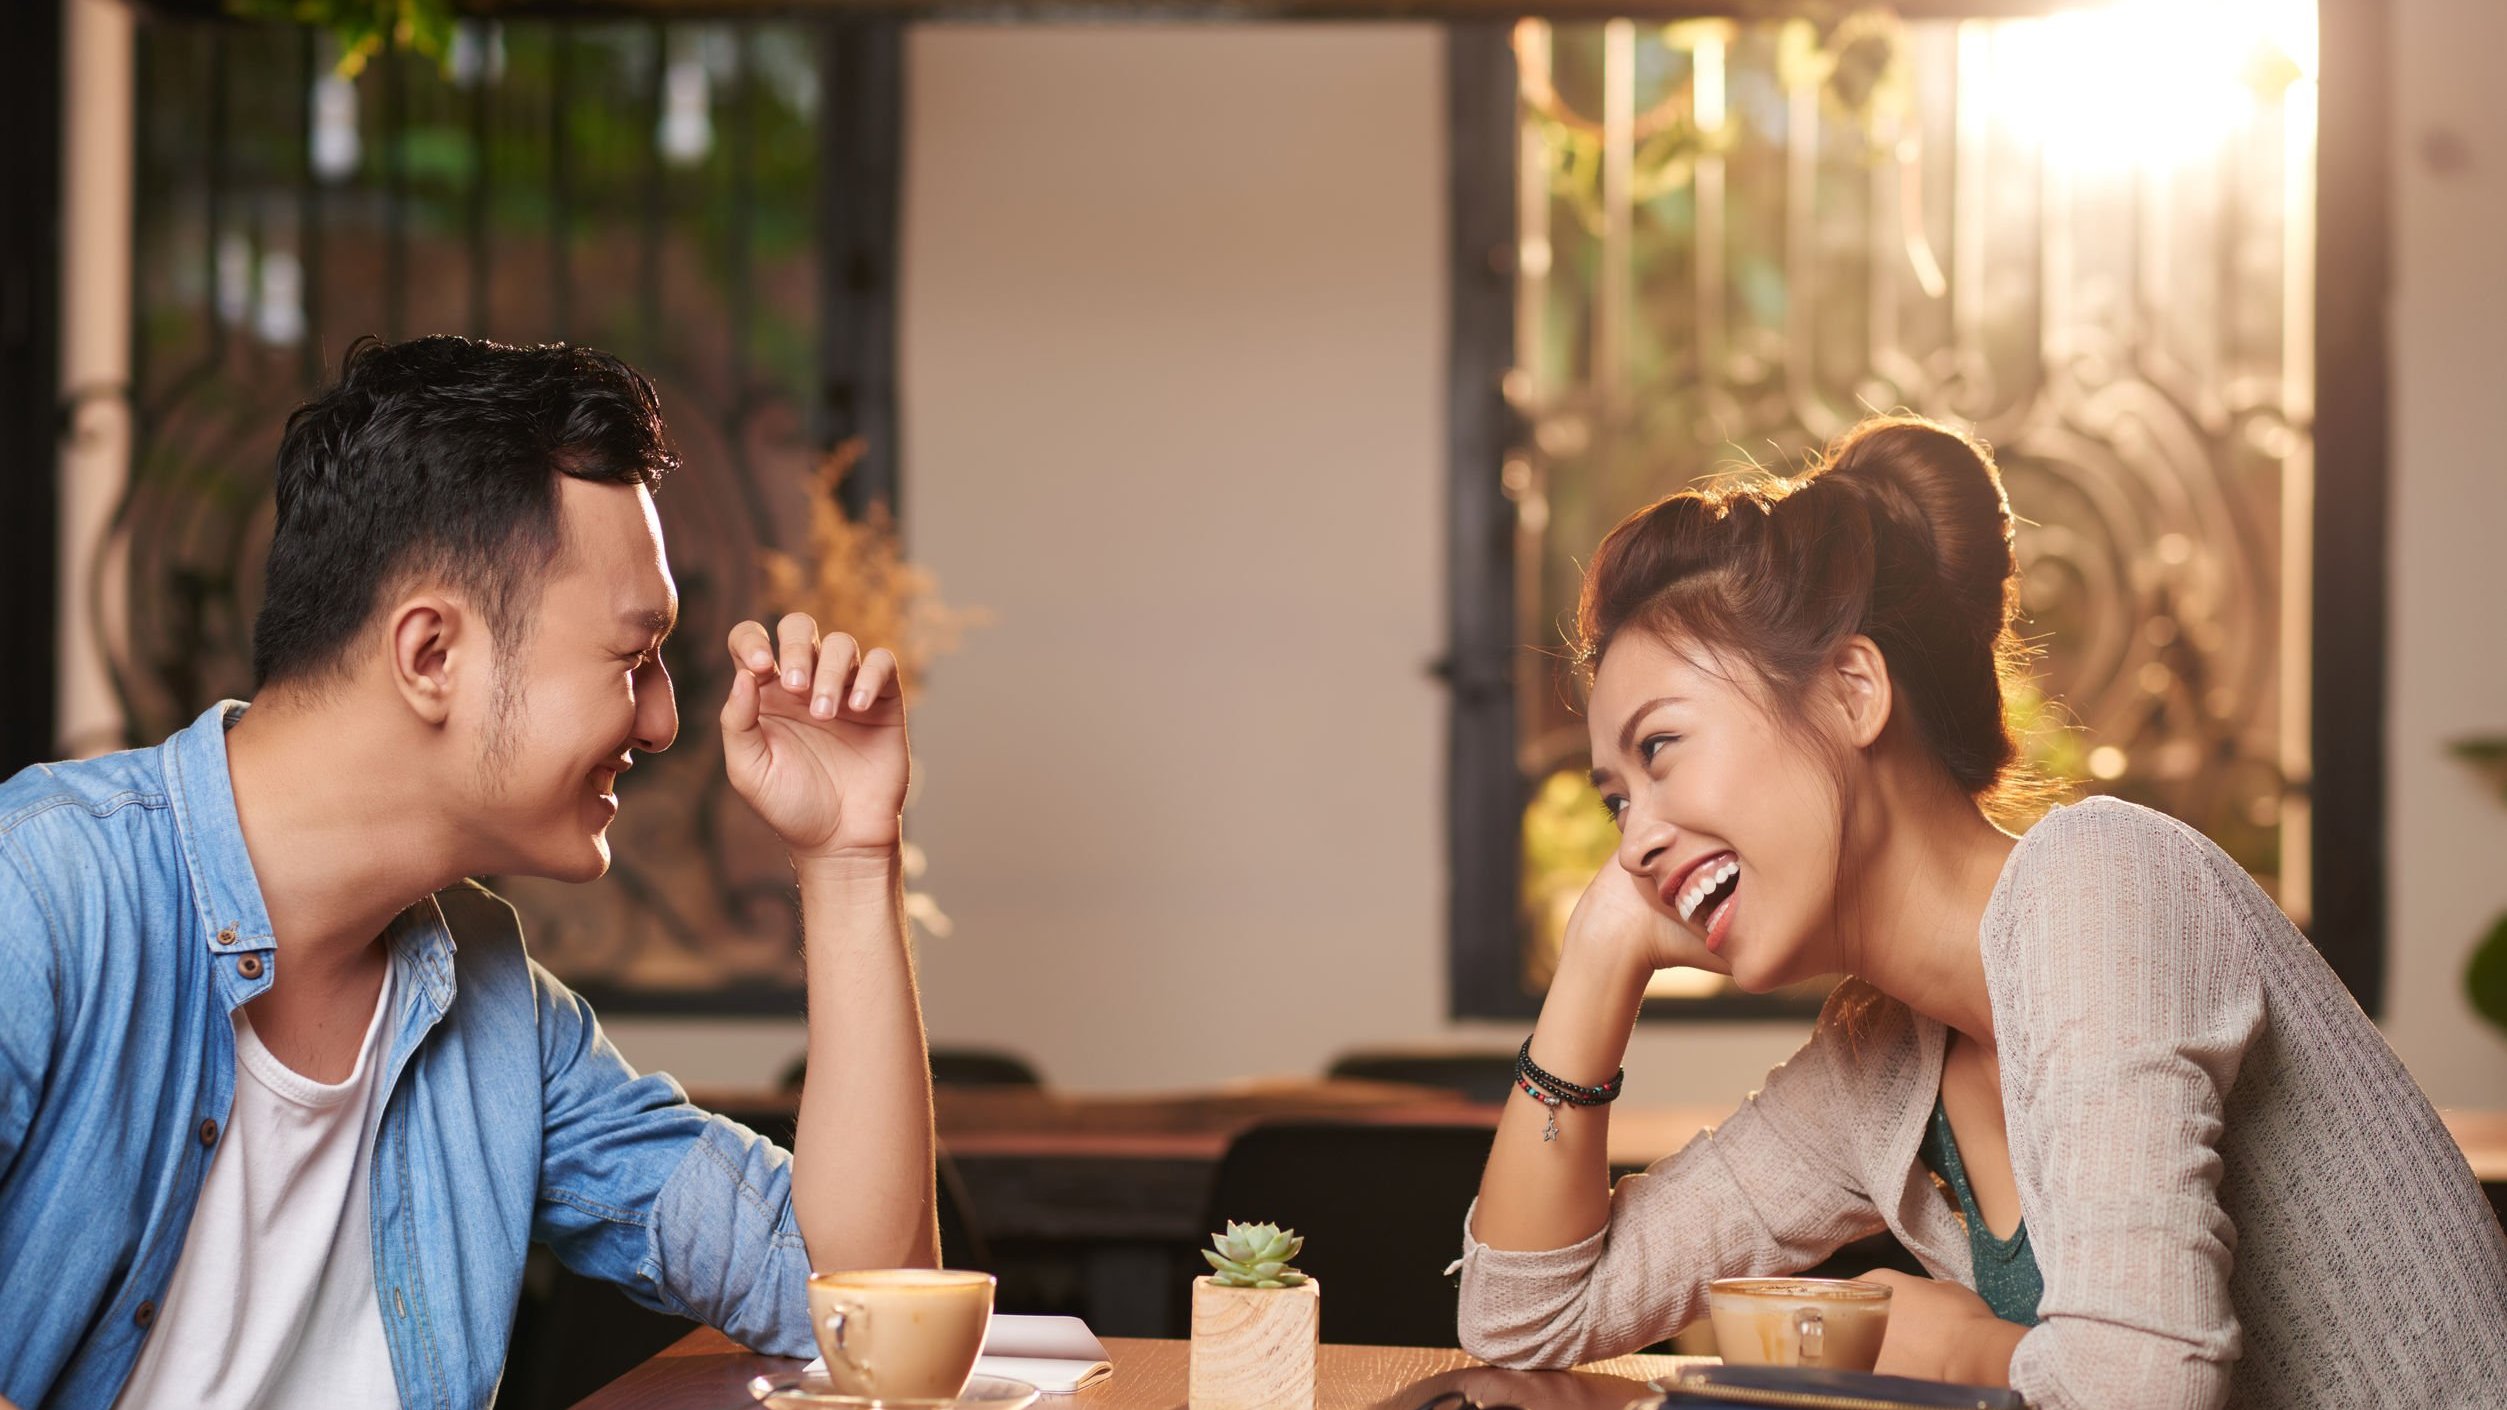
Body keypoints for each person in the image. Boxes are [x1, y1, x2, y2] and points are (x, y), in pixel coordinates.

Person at [1457, 416, 2507, 1407]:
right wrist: (1603, 948)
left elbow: (2136, 1395)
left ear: (1850, 691)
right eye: (1613, 801)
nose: (1631, 838)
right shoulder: (1878, 1066)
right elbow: (1522, 1327)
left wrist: (1957, 1349)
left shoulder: (2100, 885)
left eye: (1657, 750)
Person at [0, 336, 938, 1410]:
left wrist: (850, 856)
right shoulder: (39, 902)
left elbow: (849, 1299)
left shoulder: (490, 1001)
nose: (665, 720)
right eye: (632, 659)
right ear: (432, 655)